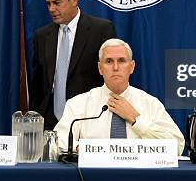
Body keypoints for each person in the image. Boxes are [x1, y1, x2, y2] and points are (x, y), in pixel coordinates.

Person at [55, 38, 185, 155]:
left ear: (132, 67)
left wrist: (136, 120)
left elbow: (176, 146)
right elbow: (58, 139)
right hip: (92, 178)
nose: (115, 67)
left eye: (122, 61)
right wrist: (85, 149)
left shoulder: (150, 103)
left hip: (141, 178)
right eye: (109, 61)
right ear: (100, 68)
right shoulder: (79, 103)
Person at [30, 0, 116, 130]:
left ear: (74, 0)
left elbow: (110, 78)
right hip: (49, 122)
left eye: (56, 3)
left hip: (88, 118)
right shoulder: (41, 36)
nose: (51, 9)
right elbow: (37, 84)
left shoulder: (101, 30)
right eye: (48, 3)